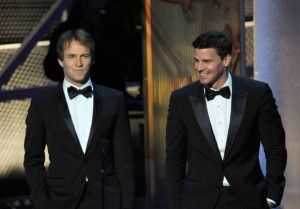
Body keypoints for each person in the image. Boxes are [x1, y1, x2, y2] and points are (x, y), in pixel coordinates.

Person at [165, 30, 287, 209]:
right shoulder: (181, 98)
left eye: (207, 61)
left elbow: (275, 147)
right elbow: (175, 155)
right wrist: (175, 203)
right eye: (196, 60)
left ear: (226, 60)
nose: (199, 67)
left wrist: (272, 196)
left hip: (248, 199)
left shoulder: (257, 93)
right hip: (198, 201)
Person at [24, 29, 135, 209]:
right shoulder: (43, 103)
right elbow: (32, 158)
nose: (78, 63)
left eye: (84, 56)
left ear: (92, 59)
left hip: (106, 199)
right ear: (61, 61)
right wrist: (42, 200)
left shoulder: (114, 99)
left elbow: (124, 159)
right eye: (71, 56)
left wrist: (127, 204)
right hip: (60, 200)